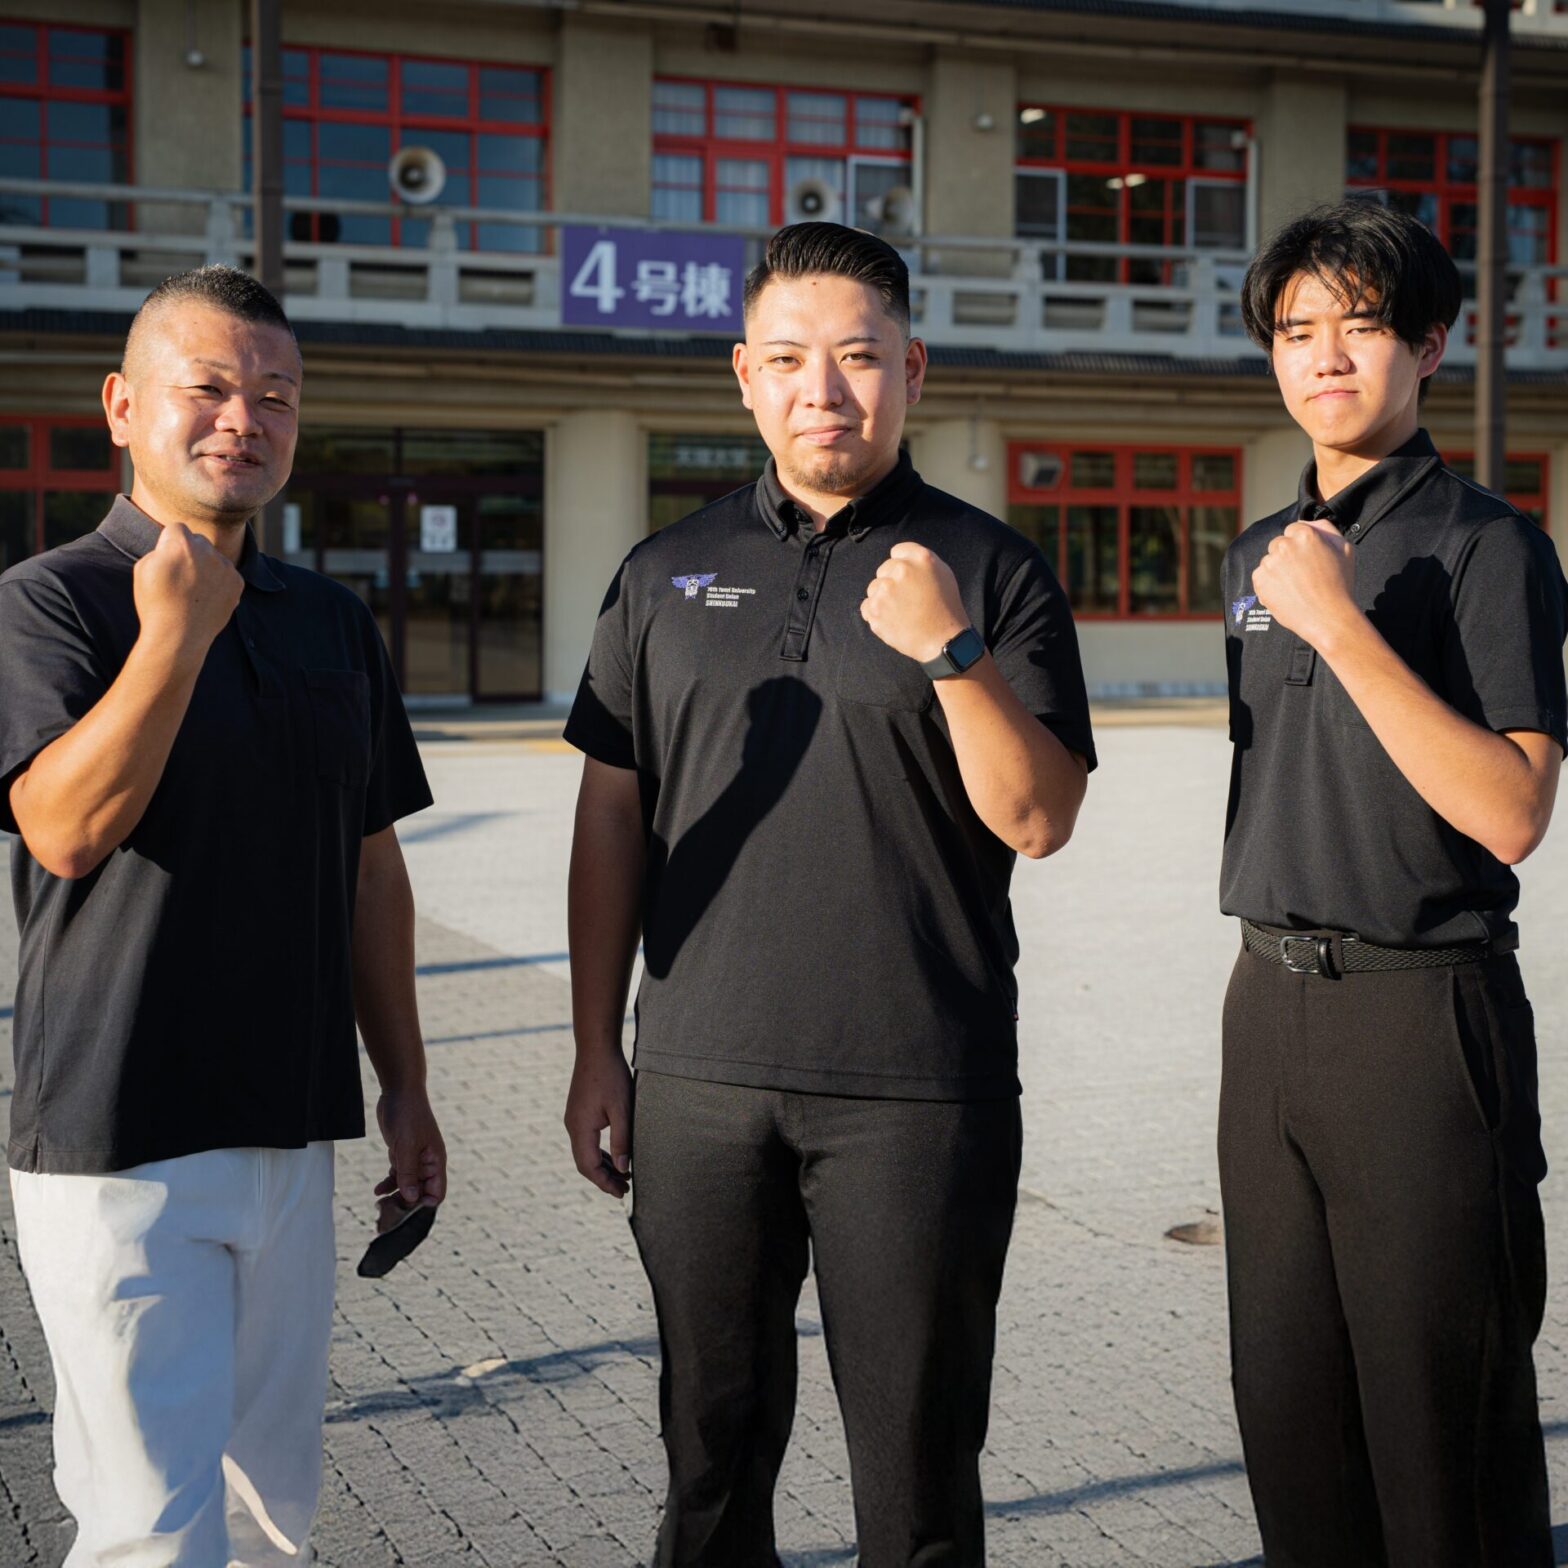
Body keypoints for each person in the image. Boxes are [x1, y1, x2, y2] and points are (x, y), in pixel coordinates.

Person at [562, 221, 1095, 1567]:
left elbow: (1039, 819)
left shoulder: (992, 570)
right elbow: (611, 821)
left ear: (913, 369)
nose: (826, 388)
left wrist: (953, 655)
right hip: (697, 1086)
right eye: (792, 358)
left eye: (859, 356)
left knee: (916, 1483)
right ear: (745, 374)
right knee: (708, 1461)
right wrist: (592, 1050)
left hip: (918, 1094)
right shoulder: (659, 575)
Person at [0, 265, 445, 1566]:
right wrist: (172, 640)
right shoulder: (51, 604)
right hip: (118, 1140)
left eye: (275, 396)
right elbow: (67, 830)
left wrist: (404, 1086)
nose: (243, 418)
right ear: (124, 405)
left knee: (269, 1518)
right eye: (208, 388)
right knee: (151, 1527)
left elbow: (375, 872)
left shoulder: (330, 621)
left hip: (291, 1135)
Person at [1219, 201, 1565, 1567]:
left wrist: (1345, 628)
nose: (1324, 357)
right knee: (1290, 1420)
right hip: (1268, 1012)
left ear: (1430, 341)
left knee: (1443, 1437)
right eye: (1295, 332)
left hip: (1422, 1021)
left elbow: (1513, 810)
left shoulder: (1490, 547)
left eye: (1360, 326)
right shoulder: (1260, 554)